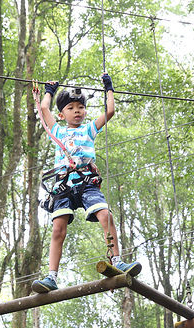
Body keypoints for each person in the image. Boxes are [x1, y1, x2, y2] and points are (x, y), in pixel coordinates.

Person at [31, 73, 141, 293]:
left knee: (106, 215)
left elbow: (110, 111)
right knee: (58, 229)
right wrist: (49, 92)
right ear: (62, 115)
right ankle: (51, 277)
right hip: (63, 186)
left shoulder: (89, 129)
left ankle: (117, 260)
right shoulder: (58, 131)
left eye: (80, 107)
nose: (77, 111)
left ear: (85, 112)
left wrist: (108, 88)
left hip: (87, 182)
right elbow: (44, 110)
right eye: (71, 108)